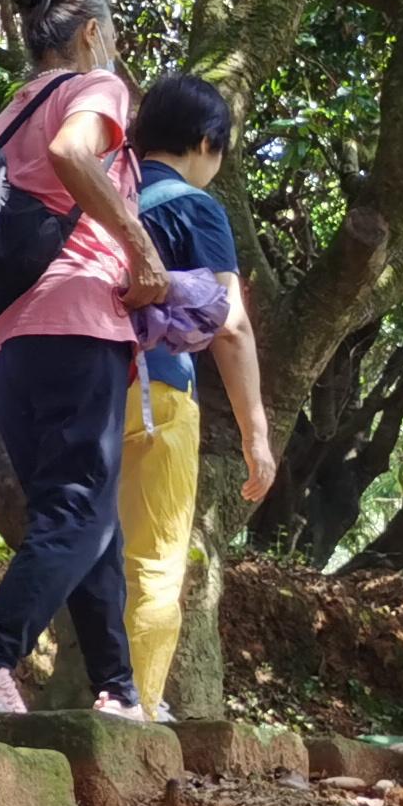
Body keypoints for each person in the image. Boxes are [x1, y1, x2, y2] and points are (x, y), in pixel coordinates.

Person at [0, 0, 170, 721]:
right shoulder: (97, 87)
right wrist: (141, 247)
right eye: (115, 32)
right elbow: (73, 153)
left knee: (81, 511)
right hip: (76, 320)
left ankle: (119, 692)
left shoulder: (5, 117)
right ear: (91, 32)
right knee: (82, 508)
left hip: (6, 342)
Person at [119, 75, 279, 718]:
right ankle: (134, 703)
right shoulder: (193, 206)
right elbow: (231, 325)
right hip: (156, 392)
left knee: (84, 546)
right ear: (208, 142)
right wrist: (255, 434)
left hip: (80, 389)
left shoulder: (101, 196)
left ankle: (101, 688)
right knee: (155, 563)